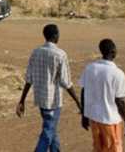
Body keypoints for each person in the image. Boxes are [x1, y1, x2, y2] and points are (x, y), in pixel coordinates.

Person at [16, 24, 82, 152]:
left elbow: (29, 78)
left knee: (52, 129)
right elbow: (66, 82)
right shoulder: (60, 54)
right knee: (48, 131)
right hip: (53, 101)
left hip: (41, 99)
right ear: (56, 36)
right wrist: (77, 101)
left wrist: (22, 100)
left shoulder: (36, 52)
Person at [79, 39, 125, 152]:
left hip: (93, 117)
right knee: (114, 148)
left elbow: (84, 92)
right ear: (113, 52)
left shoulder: (90, 68)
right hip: (110, 119)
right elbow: (120, 101)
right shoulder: (117, 73)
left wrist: (84, 115)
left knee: (98, 148)